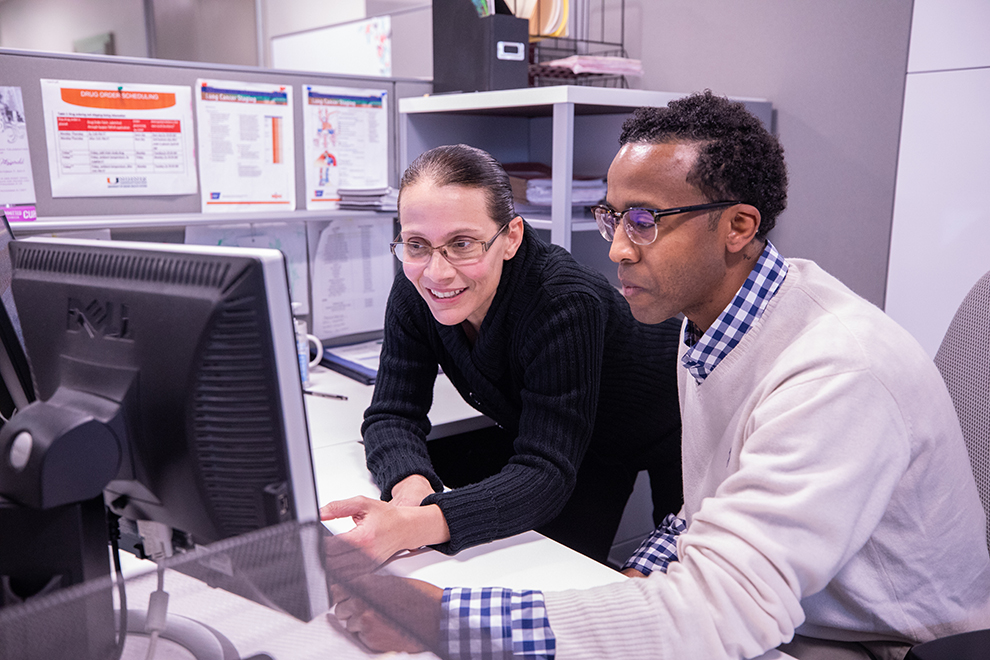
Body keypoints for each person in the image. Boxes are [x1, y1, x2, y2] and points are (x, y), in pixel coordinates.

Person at [328, 91, 990, 659]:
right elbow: (712, 513)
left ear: (738, 227)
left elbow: (725, 608)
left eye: (644, 220)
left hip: (885, 645)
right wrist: (634, 582)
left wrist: (439, 620)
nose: (616, 245)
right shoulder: (707, 328)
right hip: (796, 612)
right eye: (613, 215)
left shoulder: (836, 370)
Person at [320, 144, 683, 566]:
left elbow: (545, 473)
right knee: (543, 571)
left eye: (462, 243)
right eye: (416, 244)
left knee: (687, 585)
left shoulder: (562, 299)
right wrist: (409, 484)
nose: (437, 272)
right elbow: (390, 415)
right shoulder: (415, 288)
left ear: (511, 237)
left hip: (668, 420)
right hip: (567, 438)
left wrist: (416, 525)